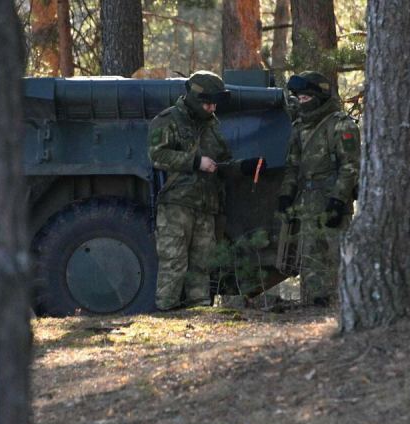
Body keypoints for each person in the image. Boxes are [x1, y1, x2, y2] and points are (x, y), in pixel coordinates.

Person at [148, 71, 263, 311]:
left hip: (207, 206)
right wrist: (195, 162)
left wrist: (242, 167)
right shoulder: (168, 120)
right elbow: (157, 156)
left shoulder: (212, 125)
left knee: (202, 267)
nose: (212, 108)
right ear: (194, 98)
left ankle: (199, 314)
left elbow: (219, 164)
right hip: (177, 206)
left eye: (214, 104)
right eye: (208, 103)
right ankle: (166, 313)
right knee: (173, 263)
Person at [277, 71, 360, 306]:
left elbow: (351, 167)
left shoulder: (341, 125)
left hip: (333, 203)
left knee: (338, 257)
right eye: (299, 98)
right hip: (307, 204)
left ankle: (344, 306)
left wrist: (338, 201)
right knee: (311, 262)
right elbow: (292, 166)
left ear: (319, 97)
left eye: (305, 98)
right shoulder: (299, 128)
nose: (301, 102)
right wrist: (286, 195)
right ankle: (315, 307)